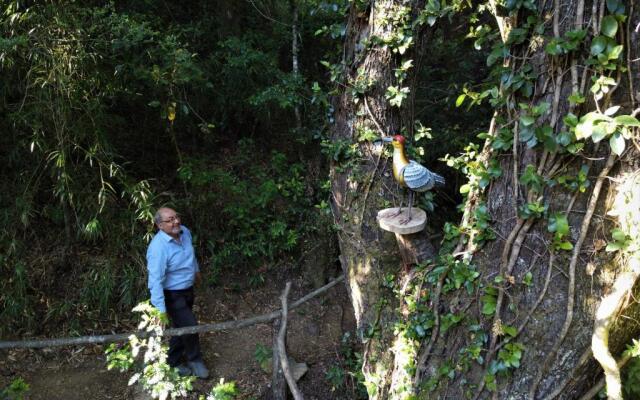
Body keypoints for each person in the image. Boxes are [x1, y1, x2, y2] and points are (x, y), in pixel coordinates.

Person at [146, 207, 209, 379]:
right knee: (190, 325)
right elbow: (155, 281)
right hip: (172, 295)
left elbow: (191, 255)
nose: (176, 222)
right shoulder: (158, 248)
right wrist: (160, 309)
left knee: (181, 327)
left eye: (177, 217)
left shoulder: (185, 232)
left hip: (188, 289)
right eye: (170, 220)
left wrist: (196, 271)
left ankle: (172, 362)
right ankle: (195, 360)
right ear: (159, 225)